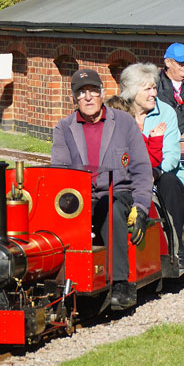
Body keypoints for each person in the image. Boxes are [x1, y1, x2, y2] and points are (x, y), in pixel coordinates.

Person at [51, 69, 153, 309]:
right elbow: (59, 171)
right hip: (81, 198)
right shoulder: (63, 128)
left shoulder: (124, 122)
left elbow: (141, 168)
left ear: (102, 93)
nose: (88, 97)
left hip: (119, 194)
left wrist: (141, 206)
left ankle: (121, 283)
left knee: (114, 208)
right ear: (74, 98)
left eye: (93, 91)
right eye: (81, 92)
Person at [120, 62, 184, 269]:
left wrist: (153, 173)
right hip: (130, 174)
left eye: (154, 88)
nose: (153, 93)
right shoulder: (120, 112)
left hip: (162, 173)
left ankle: (177, 246)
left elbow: (171, 155)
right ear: (132, 92)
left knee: (169, 182)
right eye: (147, 89)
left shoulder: (165, 112)